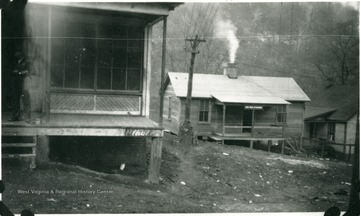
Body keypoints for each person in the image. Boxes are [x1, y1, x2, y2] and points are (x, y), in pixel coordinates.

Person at [9, 50, 31, 123]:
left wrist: (19, 72)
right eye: (15, 53)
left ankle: (27, 117)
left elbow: (29, 71)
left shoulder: (27, 62)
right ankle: (15, 116)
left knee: (26, 100)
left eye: (17, 52)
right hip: (15, 82)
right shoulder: (14, 61)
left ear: (21, 53)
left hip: (24, 82)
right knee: (15, 99)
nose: (15, 54)